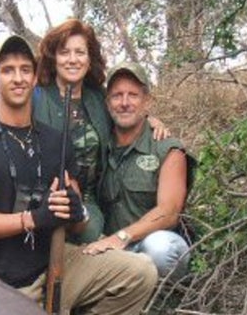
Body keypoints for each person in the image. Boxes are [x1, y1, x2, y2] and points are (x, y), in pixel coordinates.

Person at [0, 35, 157, 314]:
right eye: (8, 70)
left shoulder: (55, 140)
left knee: (139, 271)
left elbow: (77, 225)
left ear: (35, 78)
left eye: (25, 69)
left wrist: (75, 210)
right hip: (8, 283)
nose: (18, 78)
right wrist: (33, 219)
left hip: (60, 264)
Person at [0, 19, 169, 244]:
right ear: (54, 58)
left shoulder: (97, 98)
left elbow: (126, 109)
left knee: (92, 235)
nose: (73, 59)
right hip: (44, 200)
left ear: (89, 58)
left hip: (90, 204)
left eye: (80, 52)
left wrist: (151, 119)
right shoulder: (36, 95)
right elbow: (5, 119)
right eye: (65, 52)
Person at [83, 62, 197, 282]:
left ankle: (164, 302)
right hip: (109, 249)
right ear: (107, 104)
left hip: (143, 245)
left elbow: (169, 211)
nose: (124, 103)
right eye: (117, 96)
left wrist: (122, 237)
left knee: (162, 248)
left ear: (147, 101)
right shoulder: (98, 147)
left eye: (133, 95)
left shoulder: (167, 149)